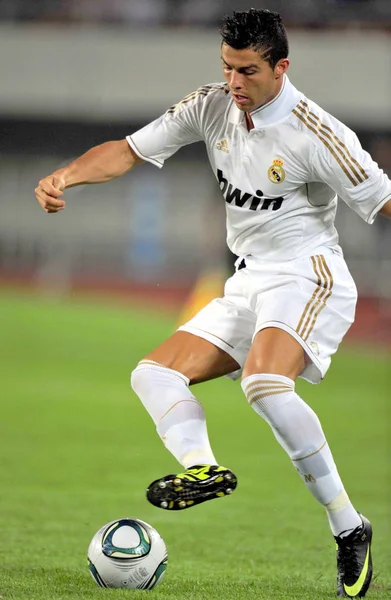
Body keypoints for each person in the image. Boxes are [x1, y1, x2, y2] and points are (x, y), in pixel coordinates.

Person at [35, 9, 391, 598]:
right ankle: (203, 466)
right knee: (152, 374)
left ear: (281, 67)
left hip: (309, 277)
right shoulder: (210, 104)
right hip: (248, 282)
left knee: (263, 385)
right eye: (227, 67)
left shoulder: (318, 132)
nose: (234, 82)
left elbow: (382, 200)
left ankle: (348, 528)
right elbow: (128, 150)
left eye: (248, 71)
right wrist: (65, 177)